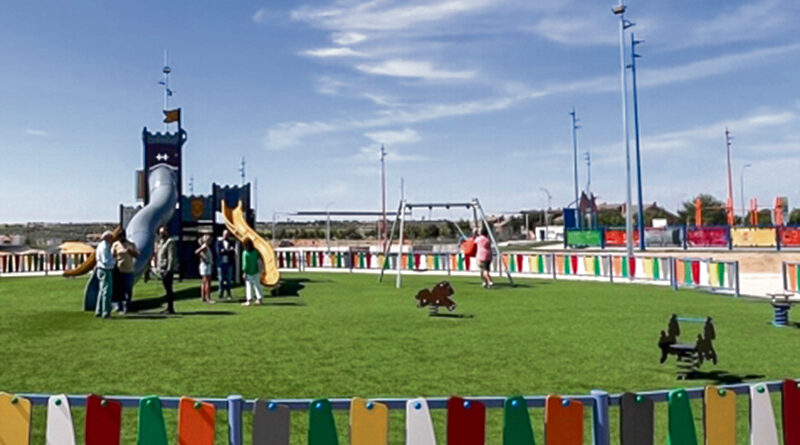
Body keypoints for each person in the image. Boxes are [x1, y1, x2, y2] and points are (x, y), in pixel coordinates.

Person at [112, 229, 139, 314]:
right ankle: (119, 306)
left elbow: (137, 255)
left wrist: (130, 252)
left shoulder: (131, 244)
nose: (121, 239)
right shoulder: (115, 245)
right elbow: (112, 256)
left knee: (128, 290)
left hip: (129, 270)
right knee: (119, 290)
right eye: (119, 237)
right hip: (119, 271)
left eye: (122, 237)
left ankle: (127, 307)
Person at [155, 225, 178, 314]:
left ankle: (170, 308)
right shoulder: (160, 242)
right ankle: (167, 307)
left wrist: (169, 269)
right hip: (161, 269)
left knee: (169, 289)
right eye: (160, 232)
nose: (161, 234)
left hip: (166, 269)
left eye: (163, 232)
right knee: (166, 289)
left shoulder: (170, 242)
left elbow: (171, 257)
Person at [94, 230, 116, 318]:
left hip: (100, 269)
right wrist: (114, 260)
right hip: (105, 269)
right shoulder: (104, 247)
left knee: (101, 290)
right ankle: (106, 312)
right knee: (107, 291)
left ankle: (99, 310)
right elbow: (105, 260)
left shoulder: (100, 245)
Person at [241, 238, 264, 306]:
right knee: (257, 285)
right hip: (255, 271)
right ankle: (259, 299)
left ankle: (249, 300)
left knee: (249, 286)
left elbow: (245, 264)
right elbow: (259, 261)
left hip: (248, 272)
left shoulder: (245, 253)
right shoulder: (255, 252)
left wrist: (244, 272)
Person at [215, 230, 236, 300]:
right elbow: (219, 252)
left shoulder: (231, 243)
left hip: (229, 263)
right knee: (221, 279)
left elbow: (233, 252)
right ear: (222, 235)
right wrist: (228, 251)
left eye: (227, 234)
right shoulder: (219, 243)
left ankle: (229, 294)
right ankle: (220, 294)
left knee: (229, 279)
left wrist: (226, 251)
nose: (226, 235)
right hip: (221, 264)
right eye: (225, 234)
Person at [195, 234, 214, 304]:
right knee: (207, 282)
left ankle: (203, 297)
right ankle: (208, 297)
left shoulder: (206, 246)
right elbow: (197, 252)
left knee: (204, 282)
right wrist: (203, 258)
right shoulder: (205, 246)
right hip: (206, 265)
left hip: (205, 264)